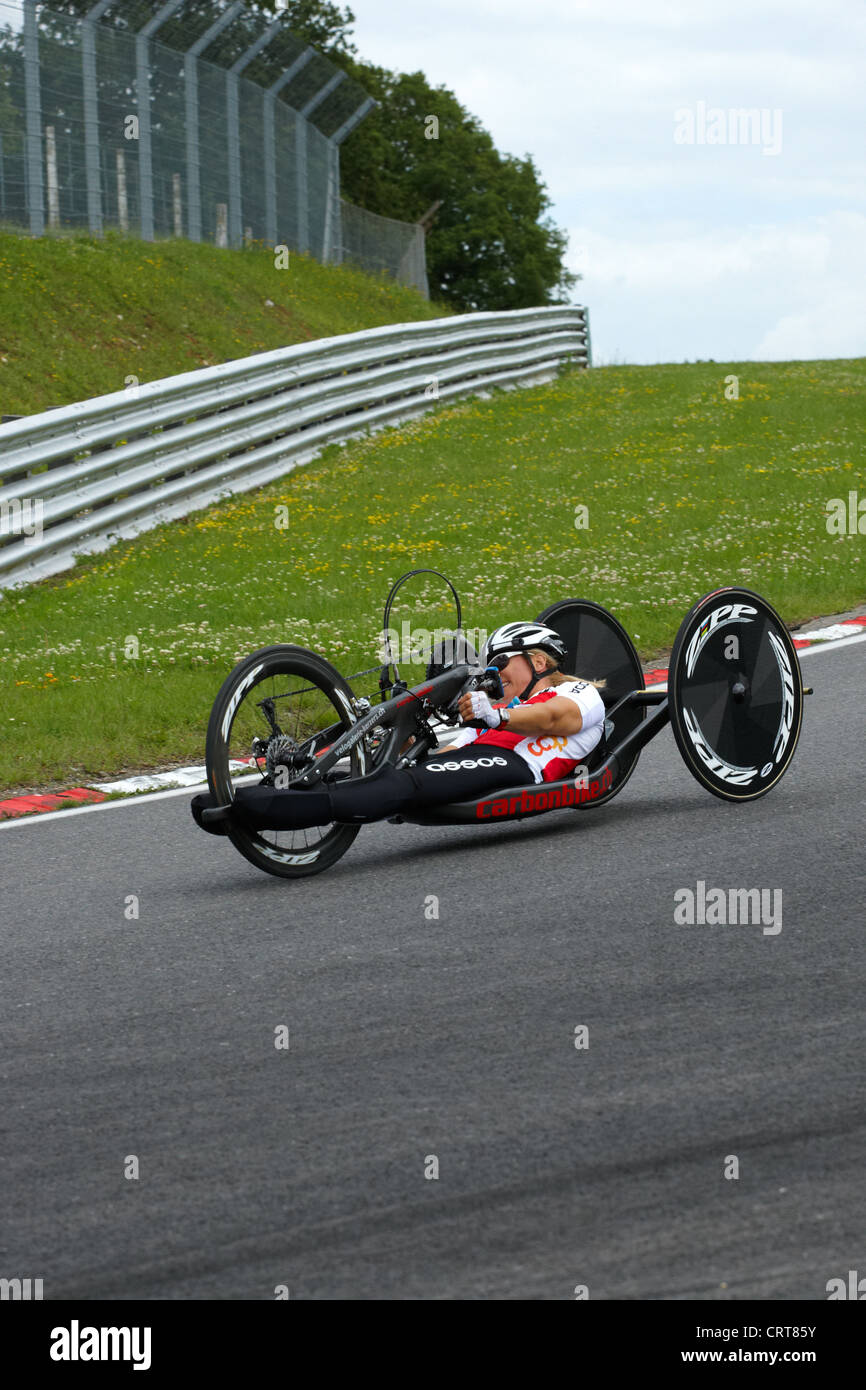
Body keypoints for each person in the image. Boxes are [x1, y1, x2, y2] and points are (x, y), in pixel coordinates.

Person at [222, 621, 607, 832]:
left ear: (539, 662)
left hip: (519, 768)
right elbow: (453, 757)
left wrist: (499, 716)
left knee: (404, 786)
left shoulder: (579, 693)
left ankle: (269, 810)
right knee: (387, 772)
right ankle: (265, 793)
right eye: (490, 667)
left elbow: (557, 718)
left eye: (502, 662)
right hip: (479, 758)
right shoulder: (497, 709)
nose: (495, 673)